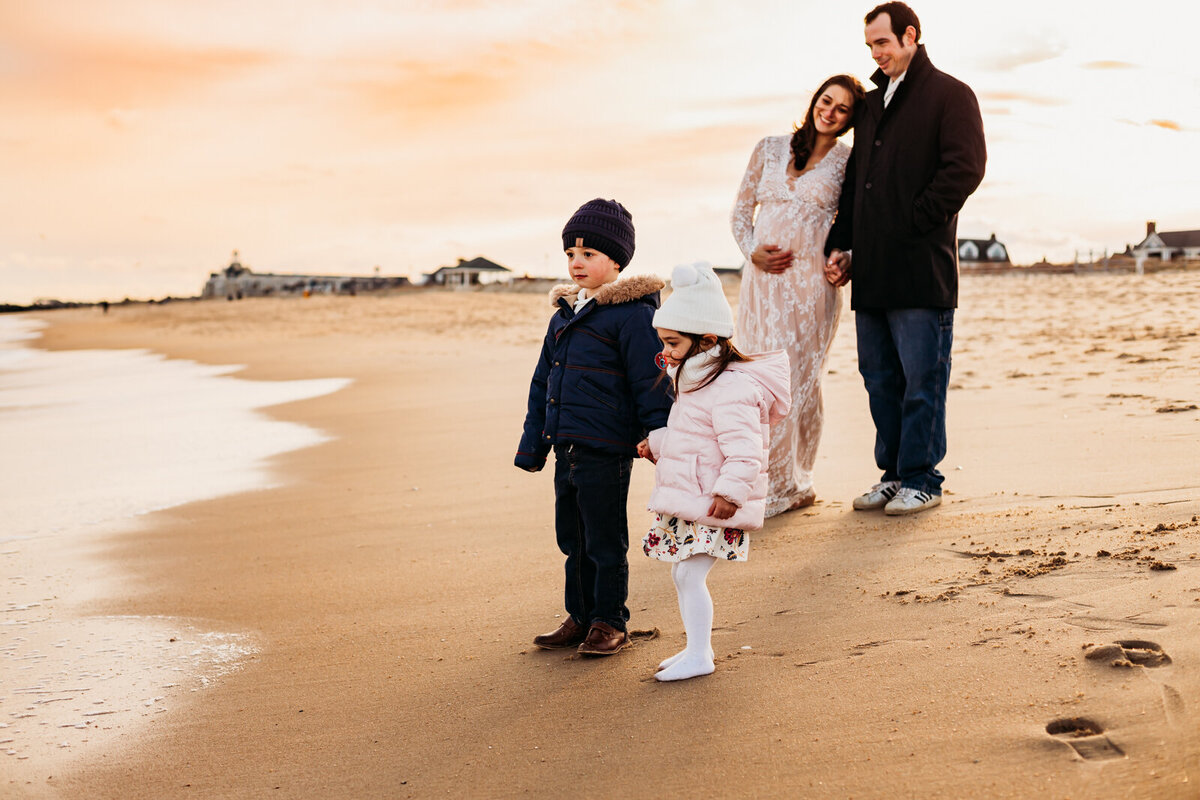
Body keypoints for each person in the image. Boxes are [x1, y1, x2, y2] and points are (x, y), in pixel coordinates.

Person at [824, 2, 986, 516]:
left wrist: (912, 222)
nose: (876, 53)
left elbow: (965, 169)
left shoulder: (951, 95)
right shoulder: (870, 106)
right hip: (871, 273)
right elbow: (855, 185)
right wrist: (840, 243)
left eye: (883, 43)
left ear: (910, 36)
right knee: (880, 380)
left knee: (923, 380)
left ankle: (924, 478)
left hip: (921, 268)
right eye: (870, 45)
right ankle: (894, 474)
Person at [516, 198, 674, 656]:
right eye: (570, 254)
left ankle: (610, 621)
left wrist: (657, 434)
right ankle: (580, 615)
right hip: (566, 445)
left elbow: (651, 379)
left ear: (617, 261)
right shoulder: (563, 317)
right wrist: (534, 445)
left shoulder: (633, 314)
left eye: (588, 254)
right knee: (573, 537)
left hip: (606, 445)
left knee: (604, 539)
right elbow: (543, 382)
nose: (577, 263)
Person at [637, 263, 790, 681]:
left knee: (689, 573)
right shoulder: (696, 380)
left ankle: (701, 654)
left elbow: (745, 450)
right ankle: (693, 647)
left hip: (715, 500)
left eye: (672, 343)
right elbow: (695, 437)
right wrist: (658, 443)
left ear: (706, 340)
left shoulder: (731, 388)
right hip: (696, 495)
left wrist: (730, 493)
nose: (665, 352)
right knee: (681, 572)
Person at [731, 74, 865, 516]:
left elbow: (854, 223)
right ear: (815, 101)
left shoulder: (848, 162)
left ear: (850, 118)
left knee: (797, 381)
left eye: (842, 108)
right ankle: (766, 478)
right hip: (761, 285)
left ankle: (789, 483)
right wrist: (752, 252)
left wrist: (845, 255)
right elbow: (740, 213)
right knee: (756, 379)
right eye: (827, 101)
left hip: (812, 286)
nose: (830, 112)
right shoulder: (769, 148)